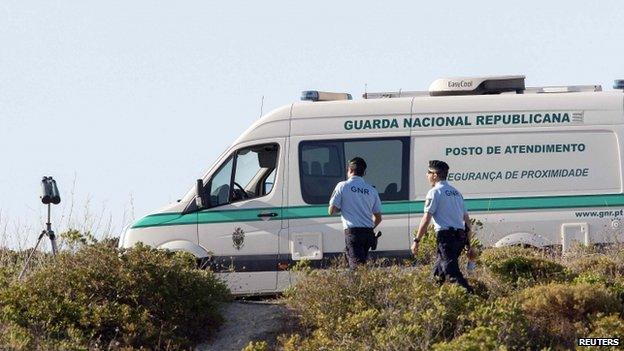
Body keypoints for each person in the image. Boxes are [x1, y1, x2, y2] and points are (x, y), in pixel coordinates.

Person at [411, 160, 474, 293]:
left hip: (446, 238)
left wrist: (416, 240)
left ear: (435, 174)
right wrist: (469, 244)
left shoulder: (434, 192)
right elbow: (467, 222)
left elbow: (426, 218)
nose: (426, 175)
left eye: (428, 172)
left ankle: (472, 295)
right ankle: (430, 297)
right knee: (438, 273)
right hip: (460, 237)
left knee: (451, 272)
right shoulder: (457, 193)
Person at [328, 157, 382, 269]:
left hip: (353, 233)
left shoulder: (342, 186)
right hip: (368, 233)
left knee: (357, 269)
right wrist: (370, 227)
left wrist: (342, 208)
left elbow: (331, 210)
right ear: (364, 172)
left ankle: (359, 286)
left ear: (349, 170)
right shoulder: (371, 190)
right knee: (360, 265)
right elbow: (378, 218)